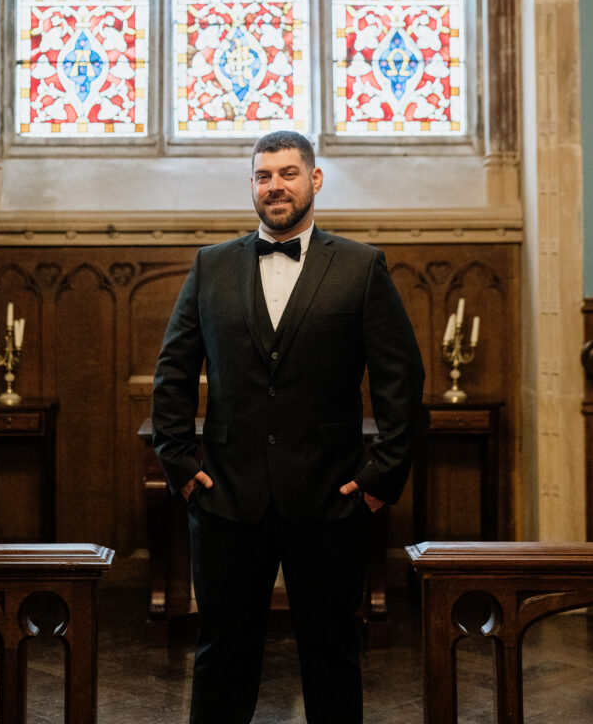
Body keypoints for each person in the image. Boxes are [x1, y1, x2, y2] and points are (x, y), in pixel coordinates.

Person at [152, 130, 425, 724]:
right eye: (263, 175)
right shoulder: (211, 265)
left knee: (331, 654)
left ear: (314, 180)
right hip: (225, 497)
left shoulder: (360, 267)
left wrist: (380, 479)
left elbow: (400, 380)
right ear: (252, 186)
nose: (275, 185)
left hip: (331, 498)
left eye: (287, 173)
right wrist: (183, 468)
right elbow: (173, 371)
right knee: (221, 655)